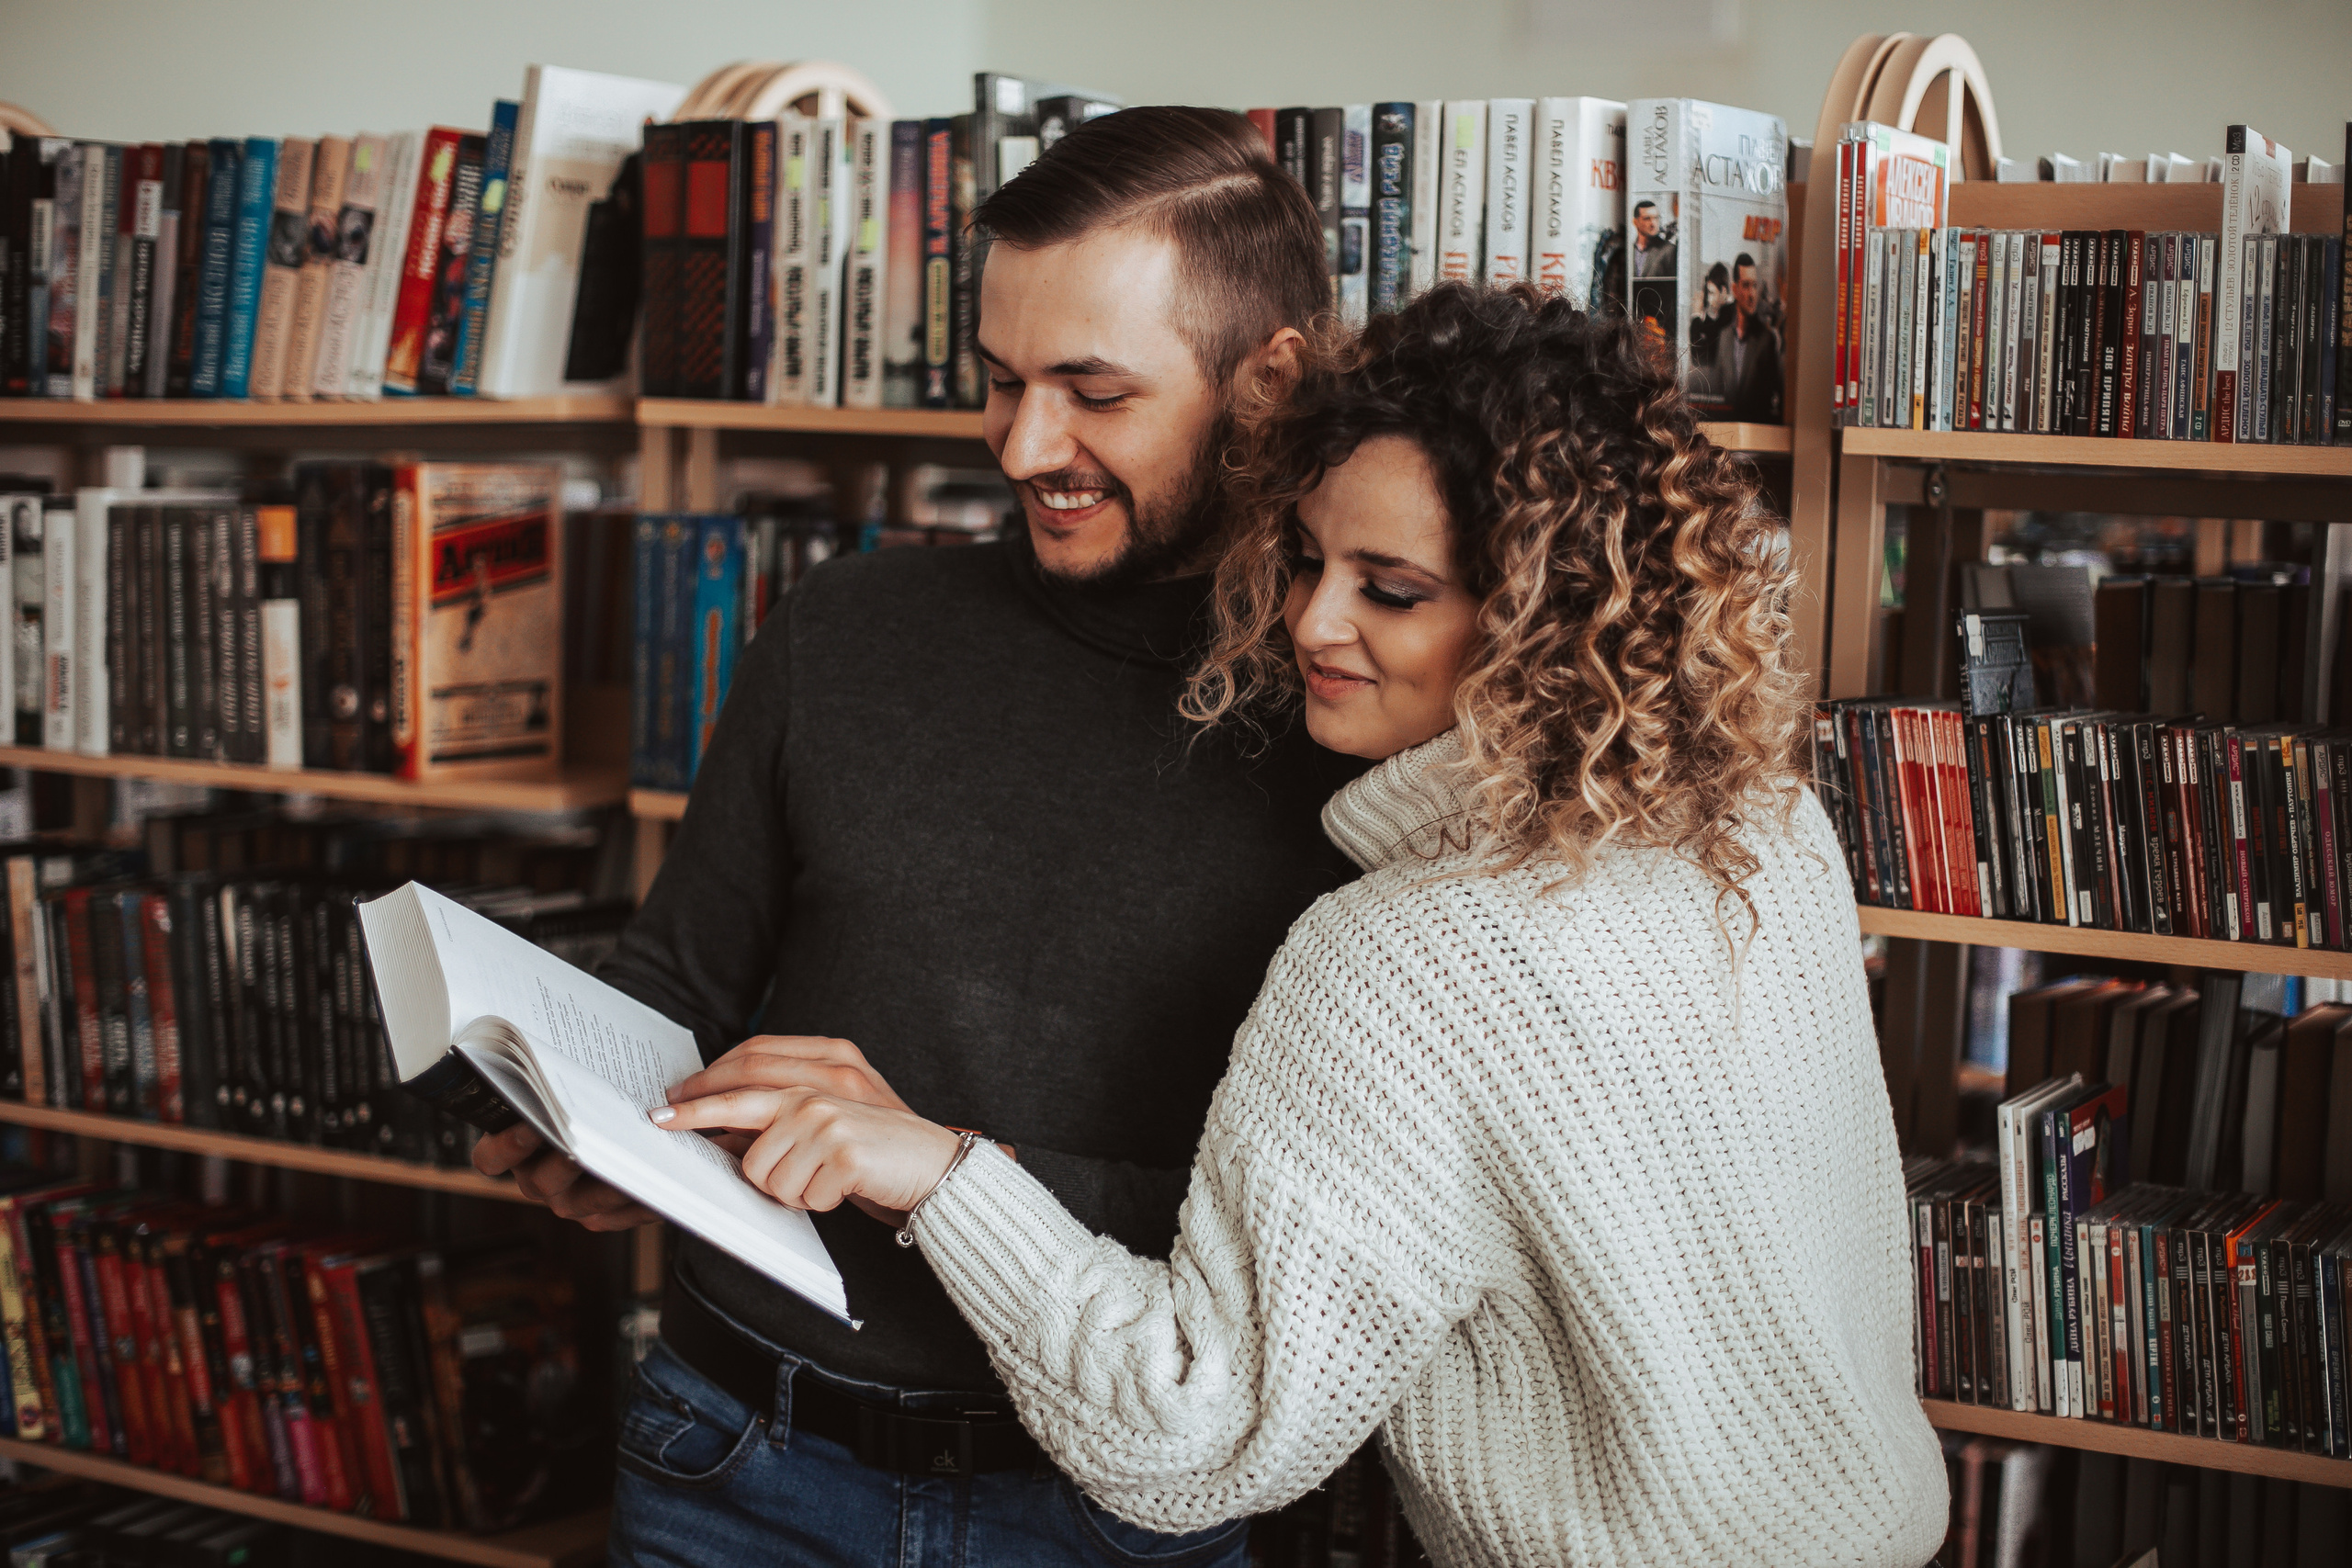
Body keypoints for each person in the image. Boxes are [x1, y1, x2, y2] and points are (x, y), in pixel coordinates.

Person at [655, 282, 1951, 1568]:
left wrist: (939, 1175)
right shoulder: (1771, 825)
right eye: (1309, 561)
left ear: (1542, 616)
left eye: (1389, 588)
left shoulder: (1410, 952)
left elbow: (1193, 1437)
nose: (1312, 622)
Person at [473, 107, 1360, 1568]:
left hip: (1108, 1506)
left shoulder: (1346, 724)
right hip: (733, 1456)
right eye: (1002, 381)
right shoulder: (851, 627)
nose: (1024, 444)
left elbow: (1288, 1241)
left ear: (1266, 386)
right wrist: (591, 1111)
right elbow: (677, 976)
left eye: (1093, 390)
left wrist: (945, 1166)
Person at [1700, 251, 1785, 423]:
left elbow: (1777, 396)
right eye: (1746, 285)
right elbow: (1715, 388)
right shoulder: (1724, 337)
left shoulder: (1766, 339)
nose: (1752, 294)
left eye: (1754, 285)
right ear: (1735, 289)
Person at [1630, 196, 1677, 277]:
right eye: (1647, 218)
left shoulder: (1669, 250)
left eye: (1656, 218)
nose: (1653, 223)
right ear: (1635, 222)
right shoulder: (1629, 250)